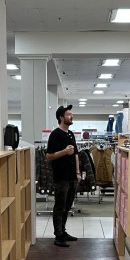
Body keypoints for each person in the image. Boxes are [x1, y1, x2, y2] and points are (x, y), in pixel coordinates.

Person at [47, 104, 80, 247]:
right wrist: (64, 152)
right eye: (68, 114)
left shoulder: (71, 134)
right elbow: (48, 156)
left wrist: (78, 172)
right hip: (61, 177)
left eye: (71, 114)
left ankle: (63, 231)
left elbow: (76, 155)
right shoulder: (55, 134)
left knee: (67, 206)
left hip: (72, 176)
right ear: (61, 117)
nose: (71, 116)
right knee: (59, 206)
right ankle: (58, 235)